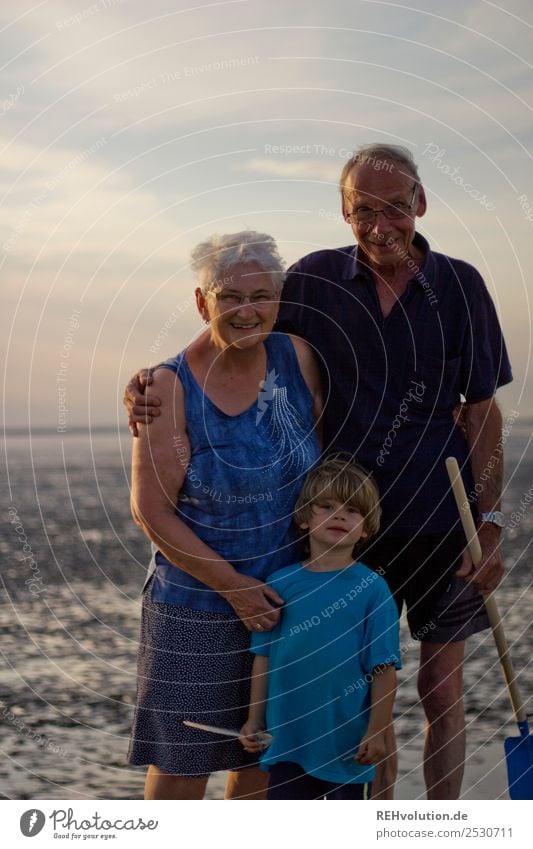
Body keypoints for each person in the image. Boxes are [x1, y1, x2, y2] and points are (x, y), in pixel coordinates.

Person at [124, 144, 512, 800]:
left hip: (432, 526)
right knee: (318, 708)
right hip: (323, 546)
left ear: (420, 202)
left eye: (395, 206)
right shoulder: (312, 282)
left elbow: (482, 413)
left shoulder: (455, 288)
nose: (380, 222)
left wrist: (491, 516)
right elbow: (231, 331)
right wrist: (148, 382)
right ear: (343, 211)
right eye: (364, 209)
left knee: (434, 691)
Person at [127, 230, 322, 800]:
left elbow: (326, 470)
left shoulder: (297, 358)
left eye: (260, 296)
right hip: (194, 608)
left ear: (278, 300)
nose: (246, 311)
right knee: (183, 767)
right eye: (230, 297)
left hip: (285, 601)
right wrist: (234, 587)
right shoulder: (168, 385)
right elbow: (152, 510)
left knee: (260, 763)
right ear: (201, 301)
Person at [239, 456, 401, 800]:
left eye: (353, 510)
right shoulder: (279, 585)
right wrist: (254, 719)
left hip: (346, 744)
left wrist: (377, 732)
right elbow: (263, 658)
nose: (340, 515)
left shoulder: (372, 590)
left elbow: (384, 669)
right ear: (303, 519)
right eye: (326, 506)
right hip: (288, 741)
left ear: (366, 528)